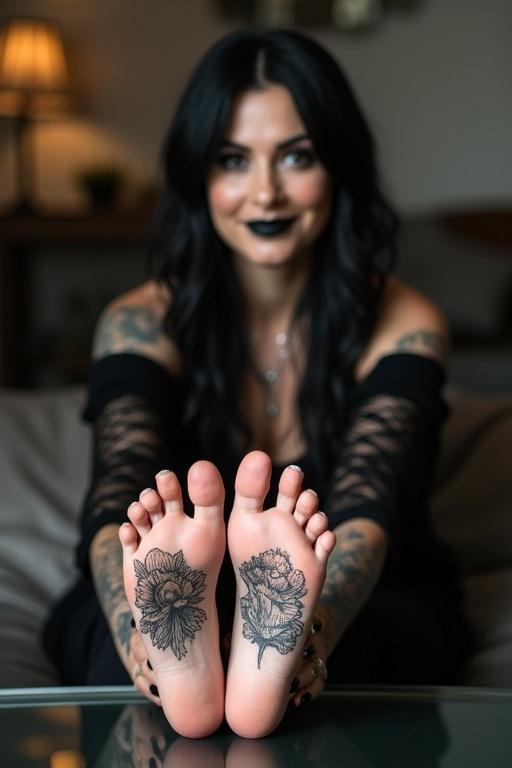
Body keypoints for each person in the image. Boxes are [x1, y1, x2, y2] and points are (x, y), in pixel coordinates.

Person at [43, 28, 467, 739]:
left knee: (380, 637)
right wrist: (136, 638)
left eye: (296, 156)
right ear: (197, 177)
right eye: (232, 160)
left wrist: (316, 630)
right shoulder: (139, 323)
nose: (265, 192)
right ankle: (188, 662)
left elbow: (371, 508)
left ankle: (262, 663)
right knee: (97, 619)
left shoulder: (404, 320)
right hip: (185, 587)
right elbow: (116, 500)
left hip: (359, 595)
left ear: (338, 165)